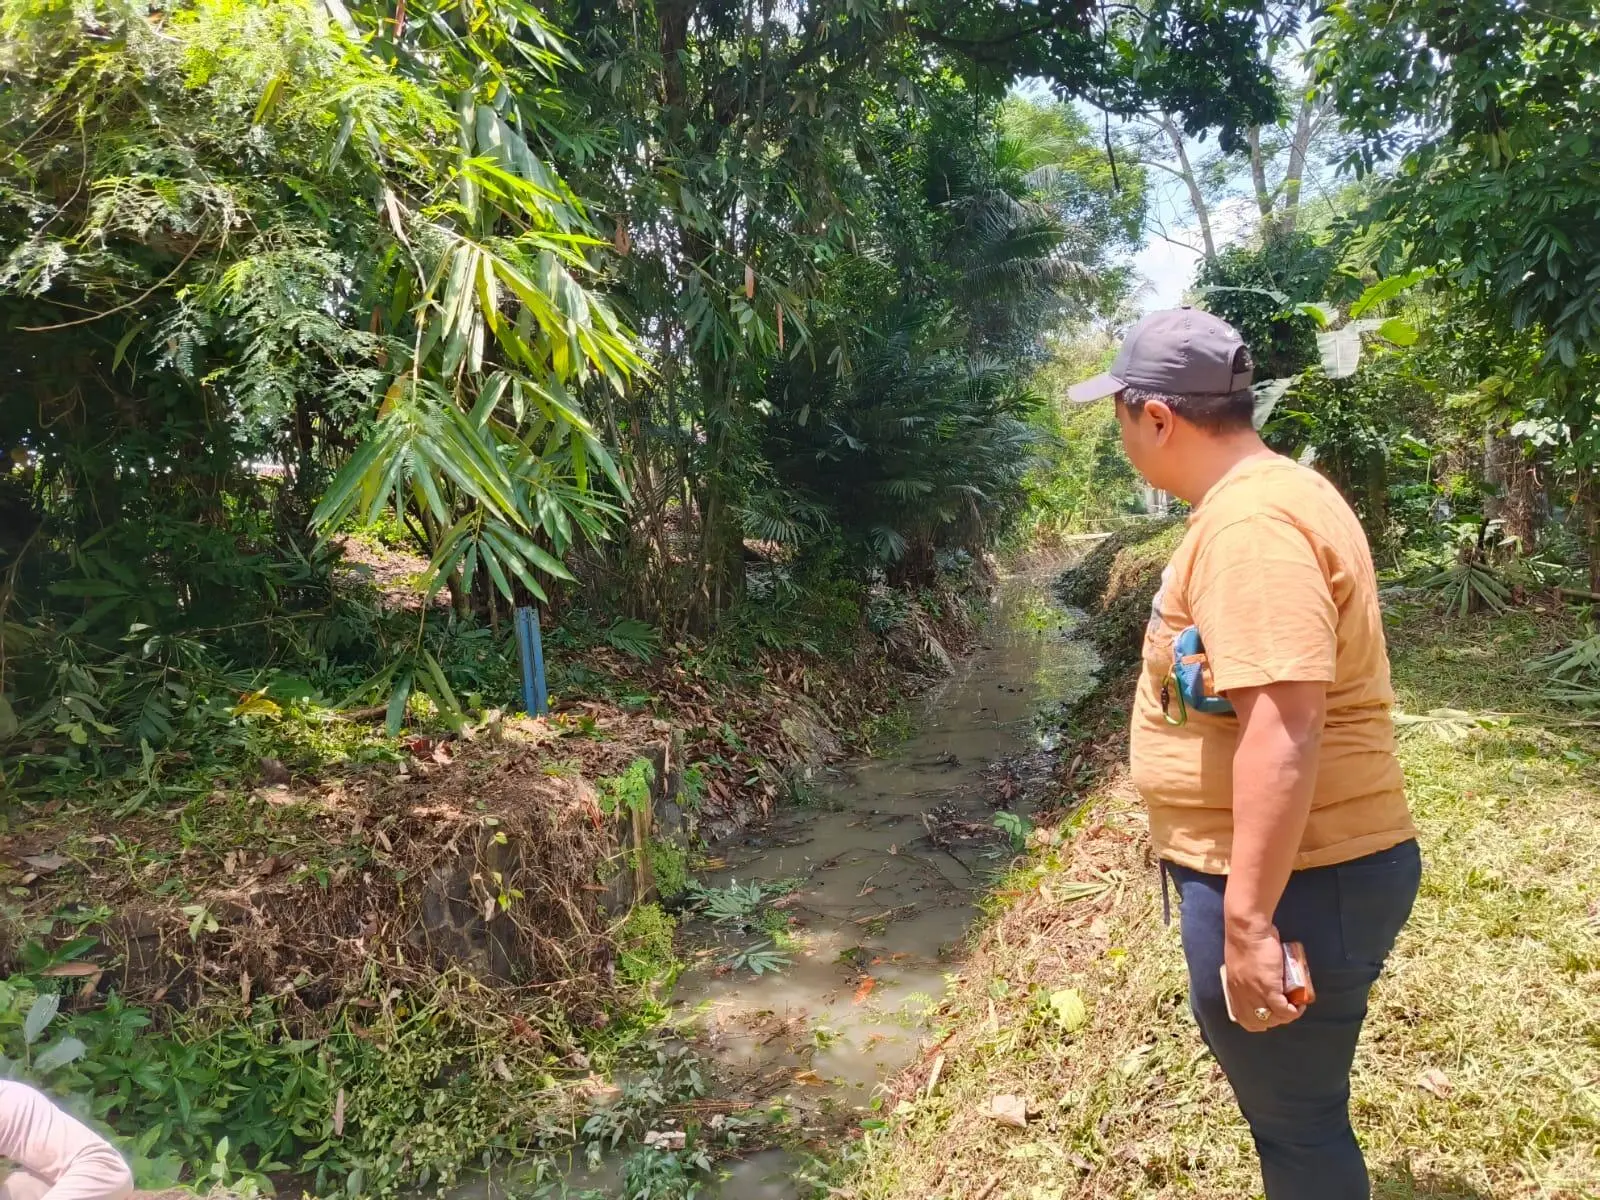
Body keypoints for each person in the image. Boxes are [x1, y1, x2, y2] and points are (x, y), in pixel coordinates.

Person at [1069, 308, 1421, 1200]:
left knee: (1298, 1127)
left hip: (1298, 878)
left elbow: (1285, 726)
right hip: (1302, 870)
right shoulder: (1265, 500)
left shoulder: (1251, 530)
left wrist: (1248, 923)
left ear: (1158, 418)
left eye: (1120, 413)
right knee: (1296, 1114)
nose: (1119, 434)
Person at [0, 1080, 133, 1200]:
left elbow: (105, 1168)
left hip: (101, 1174)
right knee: (17, 1187)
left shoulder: (8, 1099)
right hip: (54, 1182)